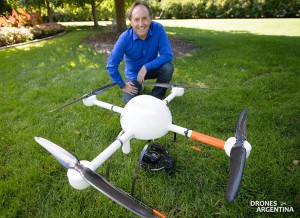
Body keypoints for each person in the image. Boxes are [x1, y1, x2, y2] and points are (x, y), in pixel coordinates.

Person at [106, 1, 174, 104]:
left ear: (150, 19)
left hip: (151, 69)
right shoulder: (124, 38)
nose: (141, 24)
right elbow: (111, 65)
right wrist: (122, 85)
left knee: (168, 67)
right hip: (133, 75)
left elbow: (168, 55)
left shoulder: (158, 29)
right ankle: (138, 85)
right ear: (131, 22)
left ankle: (156, 98)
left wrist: (147, 66)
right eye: (136, 19)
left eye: (144, 18)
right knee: (131, 104)